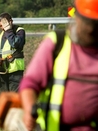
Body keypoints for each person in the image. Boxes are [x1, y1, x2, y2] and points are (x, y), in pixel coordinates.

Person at [19, 0, 98, 130]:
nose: (90, 29)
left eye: (95, 25)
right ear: (77, 18)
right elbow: (30, 83)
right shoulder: (57, 43)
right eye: (88, 23)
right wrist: (29, 109)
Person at [0, 12, 26, 92]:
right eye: (0, 26)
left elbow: (15, 44)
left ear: (10, 21)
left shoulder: (19, 31)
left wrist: (8, 30)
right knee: (4, 97)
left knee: (14, 98)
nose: (2, 28)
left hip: (15, 70)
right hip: (1, 70)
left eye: (4, 25)